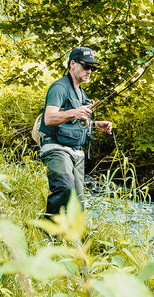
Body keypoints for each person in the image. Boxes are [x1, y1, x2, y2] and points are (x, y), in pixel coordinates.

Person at [38, 47, 112, 218]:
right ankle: (49, 234)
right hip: (56, 147)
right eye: (86, 66)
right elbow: (49, 118)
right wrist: (74, 112)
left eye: (92, 68)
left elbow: (75, 121)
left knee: (78, 205)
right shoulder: (59, 88)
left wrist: (95, 124)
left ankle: (70, 241)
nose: (89, 71)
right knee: (64, 188)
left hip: (76, 152)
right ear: (72, 64)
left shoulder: (81, 93)